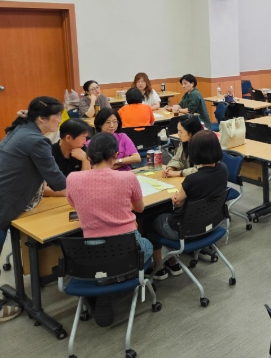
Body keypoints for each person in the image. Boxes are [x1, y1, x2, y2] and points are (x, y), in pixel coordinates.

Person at [66, 132, 152, 326]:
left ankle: (105, 284)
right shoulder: (127, 177)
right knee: (147, 243)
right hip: (129, 250)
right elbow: (140, 208)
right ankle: (120, 278)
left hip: (94, 253)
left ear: (89, 156)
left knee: (106, 257)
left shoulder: (72, 178)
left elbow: (73, 204)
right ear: (116, 154)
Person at [0, 97, 67, 322]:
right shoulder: (37, 141)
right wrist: (85, 188)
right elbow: (56, 180)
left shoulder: (22, 129)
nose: (59, 120)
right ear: (41, 119)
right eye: (57, 116)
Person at [149, 130, 228, 280]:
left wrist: (176, 199)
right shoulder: (223, 169)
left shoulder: (192, 180)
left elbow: (177, 201)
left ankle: (158, 267)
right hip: (212, 223)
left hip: (186, 230)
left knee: (150, 220)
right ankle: (173, 262)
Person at [49, 118, 91, 188]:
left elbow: (87, 183)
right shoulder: (49, 153)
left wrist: (85, 160)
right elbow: (42, 187)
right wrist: (66, 192)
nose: (85, 141)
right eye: (83, 137)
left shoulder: (82, 150)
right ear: (68, 138)